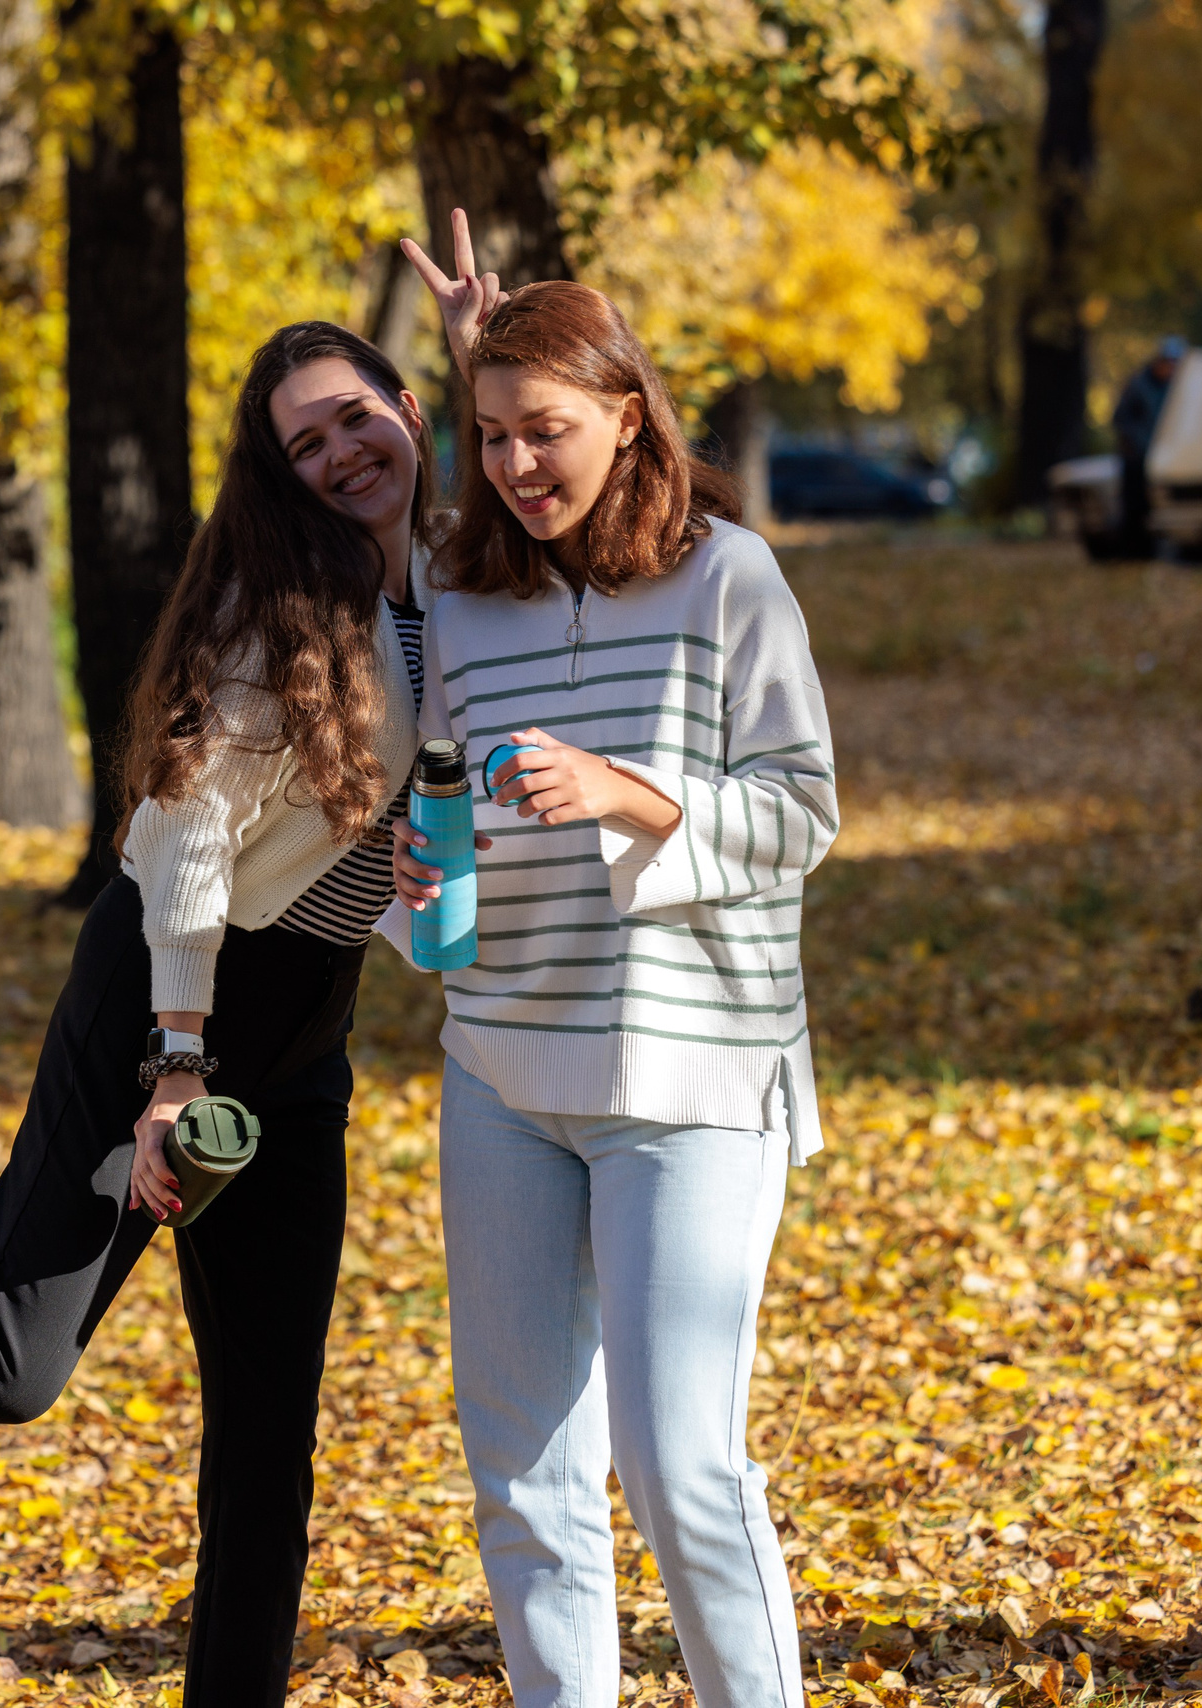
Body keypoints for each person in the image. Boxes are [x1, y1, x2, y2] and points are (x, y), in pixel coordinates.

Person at [0, 322, 437, 1707]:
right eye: (308, 442)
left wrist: (478, 341)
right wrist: (170, 1066)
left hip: (303, 1039)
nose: (345, 453)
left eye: (358, 417)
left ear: (407, 407)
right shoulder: (270, 618)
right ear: (279, 475)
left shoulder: (453, 578)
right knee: (6, 1371)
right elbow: (185, 851)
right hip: (168, 1003)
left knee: (271, 1442)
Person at [391, 218, 837, 1708]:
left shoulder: (730, 580)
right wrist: (412, 883)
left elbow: (802, 813)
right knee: (523, 1479)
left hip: (696, 1078)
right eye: (496, 434)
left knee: (682, 1466)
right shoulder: (459, 602)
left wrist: (632, 792)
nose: (521, 464)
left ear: (631, 414)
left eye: (552, 431)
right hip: (503, 1074)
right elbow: (428, 814)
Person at [1108, 337, 1186, 558]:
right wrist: (1139, 444)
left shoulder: (1173, 388)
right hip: (1135, 459)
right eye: (1169, 363)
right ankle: (1130, 554)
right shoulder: (1138, 384)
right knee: (1133, 509)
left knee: (1156, 507)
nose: (1171, 369)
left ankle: (1153, 553)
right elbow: (1120, 419)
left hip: (1160, 460)